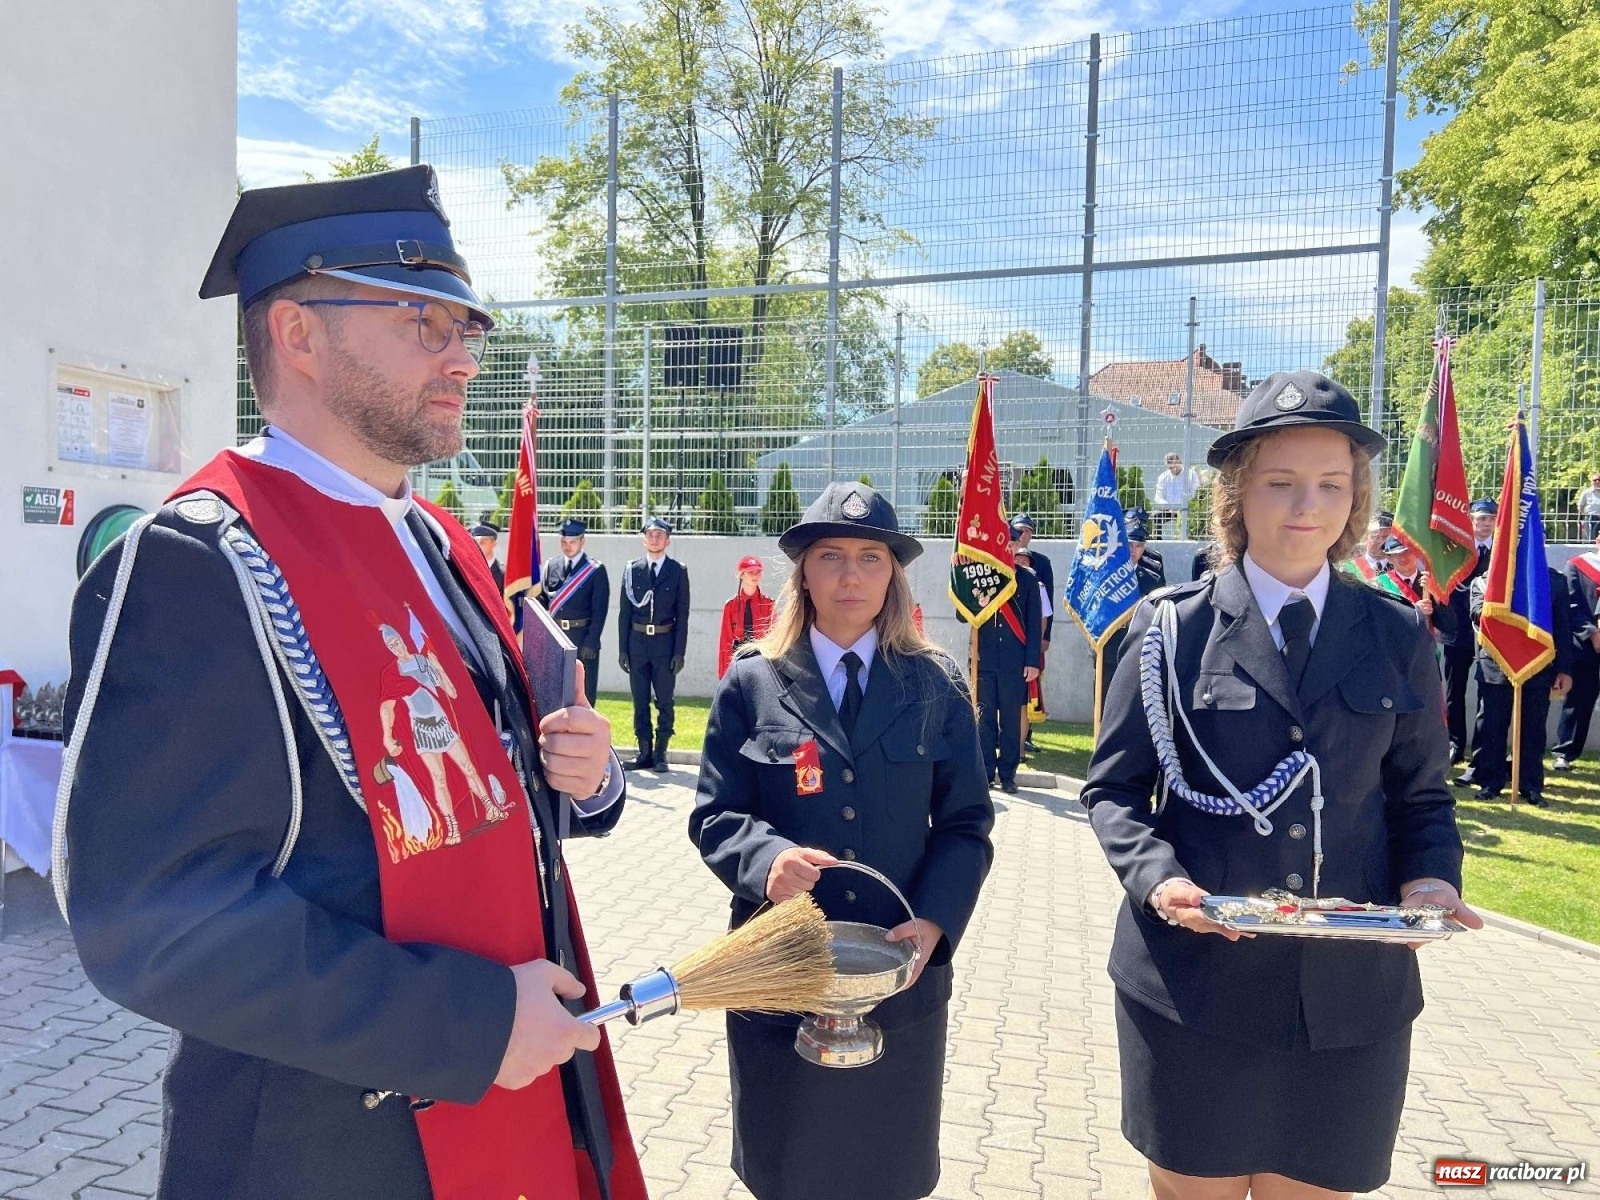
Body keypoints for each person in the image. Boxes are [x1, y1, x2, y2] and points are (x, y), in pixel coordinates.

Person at [55, 167, 647, 1200]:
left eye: (469, 327)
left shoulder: (441, 544)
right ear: (296, 333)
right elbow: (148, 920)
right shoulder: (202, 558)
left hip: (513, 1102)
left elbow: (466, 798)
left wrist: (584, 785)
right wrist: (463, 1026)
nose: (464, 355)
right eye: (424, 318)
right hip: (330, 1148)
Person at [1081, 369, 1480, 1200]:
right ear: (1238, 492)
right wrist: (1161, 883)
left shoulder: (1398, 633)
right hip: (1195, 991)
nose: (1308, 504)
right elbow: (1115, 791)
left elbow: (1422, 798)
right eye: (1282, 482)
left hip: (1350, 1004)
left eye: (1332, 484)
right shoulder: (1170, 629)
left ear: (1356, 497)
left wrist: (1432, 882)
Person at [688, 481, 994, 1200]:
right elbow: (715, 814)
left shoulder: (936, 684)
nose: (851, 575)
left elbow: (966, 826)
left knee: (885, 1165)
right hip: (778, 965)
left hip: (897, 968)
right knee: (787, 1163)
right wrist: (766, 861)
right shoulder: (752, 682)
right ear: (803, 572)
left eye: (870, 557)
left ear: (893, 574)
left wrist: (936, 923)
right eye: (831, 556)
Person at [1464, 567, 1572, 806]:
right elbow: (1476, 613)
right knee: (1492, 725)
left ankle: (1530, 785)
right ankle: (1490, 782)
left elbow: (1563, 627)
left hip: (1537, 664)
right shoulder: (1485, 580)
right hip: (1496, 663)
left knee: (1533, 728)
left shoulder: (1554, 581)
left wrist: (1565, 669)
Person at [959, 552, 1041, 794]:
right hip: (983, 660)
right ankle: (985, 773)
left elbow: (1034, 622)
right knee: (984, 721)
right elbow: (961, 616)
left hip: (1014, 663)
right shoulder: (981, 574)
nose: (1008, 547)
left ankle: (1008, 775)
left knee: (1010, 722)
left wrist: (1032, 661)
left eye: (1012, 542)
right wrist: (966, 581)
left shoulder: (1026, 580)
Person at [617, 516, 690, 771]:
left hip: (664, 644)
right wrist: (623, 649)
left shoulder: (677, 571)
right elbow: (624, 613)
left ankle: (660, 753)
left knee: (664, 701)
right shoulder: (632, 570)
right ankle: (644, 752)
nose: (654, 538)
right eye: (650, 534)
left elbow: (683, 614)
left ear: (668, 541)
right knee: (639, 700)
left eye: (660, 535)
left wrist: (679, 652)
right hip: (637, 645)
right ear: (643, 538)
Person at [1445, 500, 1496, 768]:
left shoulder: (1502, 552)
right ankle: (1455, 743)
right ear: (1470, 520)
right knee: (1455, 691)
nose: (1485, 524)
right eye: (1481, 518)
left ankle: (1484, 746)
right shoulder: (1457, 551)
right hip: (1460, 630)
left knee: (1489, 693)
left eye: (1490, 519)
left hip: (1491, 633)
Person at [540, 518, 610, 705]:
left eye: (572, 542)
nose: (568, 546)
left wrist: (591, 641)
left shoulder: (595, 570)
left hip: (582, 638)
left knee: (584, 694)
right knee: (555, 692)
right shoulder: (550, 566)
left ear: (582, 541)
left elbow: (599, 610)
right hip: (557, 638)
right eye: (564, 542)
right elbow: (543, 601)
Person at [1554, 532, 1600, 771]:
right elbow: (1572, 605)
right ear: (1598, 540)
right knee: (1579, 701)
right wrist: (1593, 633)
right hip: (1586, 647)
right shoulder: (1578, 566)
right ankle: (1564, 753)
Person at [1378, 534, 1458, 649]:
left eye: (1407, 552)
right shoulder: (1381, 585)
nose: (1403, 558)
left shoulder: (1431, 584)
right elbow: (1381, 624)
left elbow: (1449, 626)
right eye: (1397, 554)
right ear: (1389, 558)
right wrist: (1414, 611)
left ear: (1417, 553)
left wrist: (1436, 595)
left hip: (1425, 654)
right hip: (1396, 652)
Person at [719, 555, 776, 678]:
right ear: (741, 575)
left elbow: (775, 637)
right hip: (739, 657)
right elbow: (725, 641)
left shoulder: (769, 604)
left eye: (758, 572)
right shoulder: (731, 606)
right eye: (751, 572)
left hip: (762, 657)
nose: (755, 576)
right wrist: (724, 673)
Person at [1152, 452, 1201, 537]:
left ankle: (1189, 538)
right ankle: (1158, 541)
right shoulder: (1163, 477)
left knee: (1195, 519)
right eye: (1170, 467)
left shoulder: (1191, 474)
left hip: (1186, 509)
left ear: (1180, 462)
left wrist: (1184, 505)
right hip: (1169, 509)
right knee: (1156, 516)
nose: (1173, 469)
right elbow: (1158, 496)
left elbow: (1195, 492)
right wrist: (1168, 506)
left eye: (1175, 466)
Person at [471, 519, 505, 591]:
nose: (479, 546)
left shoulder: (503, 573)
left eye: (483, 542)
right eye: (476, 542)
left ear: (494, 543)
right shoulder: (469, 569)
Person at [1577, 473, 1600, 541]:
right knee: (1591, 538)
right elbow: (1580, 506)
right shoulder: (1586, 493)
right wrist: (1585, 514)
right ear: (1591, 481)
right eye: (1595, 480)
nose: (1597, 481)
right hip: (1591, 517)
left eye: (1599, 479)